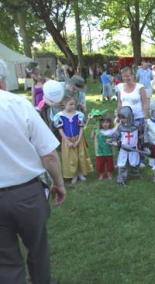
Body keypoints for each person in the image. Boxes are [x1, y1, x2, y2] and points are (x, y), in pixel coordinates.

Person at [0, 59, 66, 284]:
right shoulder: (18, 104)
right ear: (4, 80)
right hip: (26, 193)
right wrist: (59, 183)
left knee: (5, 261)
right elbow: (48, 153)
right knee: (37, 247)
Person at [53, 96, 93, 184]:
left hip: (78, 138)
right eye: (70, 104)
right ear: (64, 104)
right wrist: (67, 141)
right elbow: (60, 130)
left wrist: (78, 140)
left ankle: (80, 172)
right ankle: (73, 174)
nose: (73, 106)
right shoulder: (59, 116)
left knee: (80, 156)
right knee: (70, 158)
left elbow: (81, 128)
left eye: (74, 104)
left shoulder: (79, 115)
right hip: (67, 140)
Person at [113, 106, 141, 185]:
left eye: (123, 118)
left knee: (135, 163)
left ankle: (135, 174)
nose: (122, 120)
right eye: (121, 118)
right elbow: (116, 135)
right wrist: (115, 141)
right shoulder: (120, 127)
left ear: (129, 116)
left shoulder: (136, 126)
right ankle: (121, 178)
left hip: (133, 149)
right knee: (122, 164)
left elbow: (141, 135)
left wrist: (143, 144)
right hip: (123, 149)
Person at [91, 115, 115, 180]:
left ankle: (109, 173)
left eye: (107, 122)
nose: (105, 124)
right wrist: (93, 129)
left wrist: (111, 140)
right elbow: (92, 137)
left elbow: (115, 138)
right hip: (99, 151)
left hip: (109, 151)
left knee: (110, 164)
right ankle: (101, 174)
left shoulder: (112, 131)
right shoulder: (98, 130)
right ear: (100, 123)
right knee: (100, 164)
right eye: (103, 122)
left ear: (110, 123)